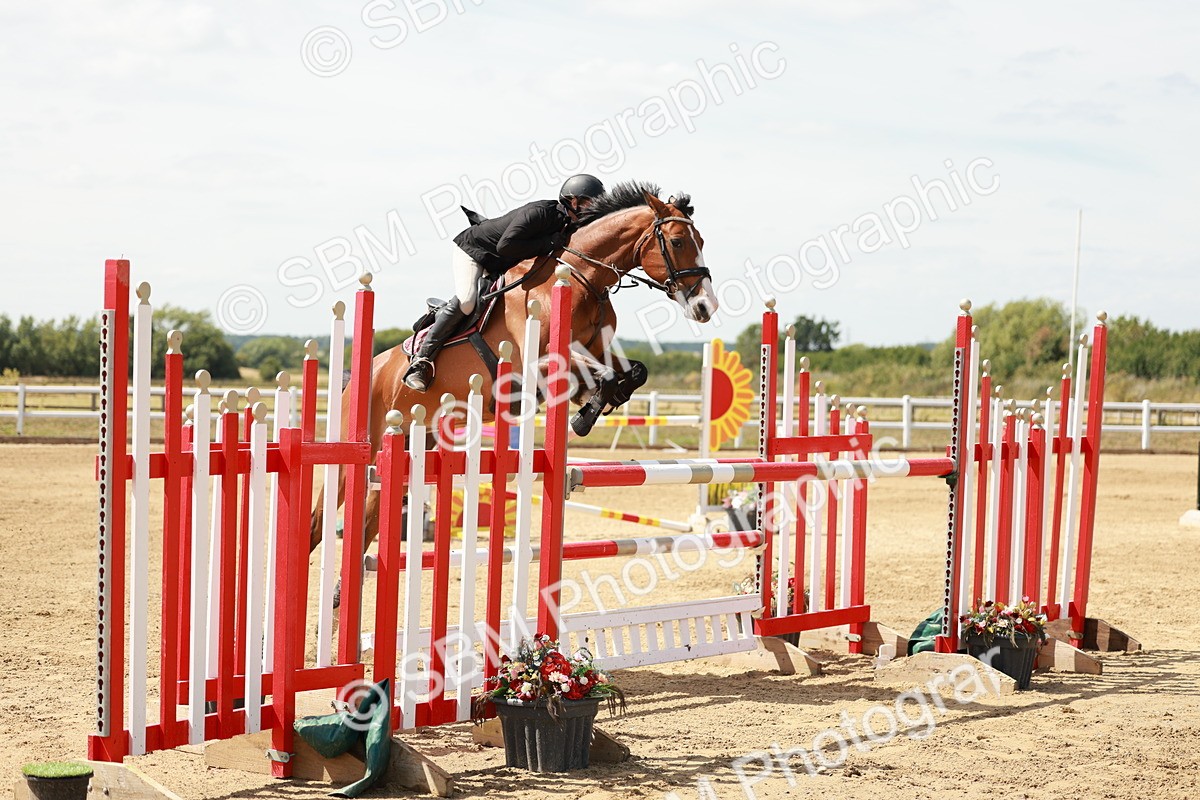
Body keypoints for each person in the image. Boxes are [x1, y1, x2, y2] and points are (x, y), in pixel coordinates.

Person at [403, 173, 606, 391]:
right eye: (588, 203)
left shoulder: (570, 225)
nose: (592, 210)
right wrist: (547, 242)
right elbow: (505, 246)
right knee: (468, 301)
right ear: (572, 201)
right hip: (476, 251)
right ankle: (421, 362)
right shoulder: (540, 213)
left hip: (503, 263)